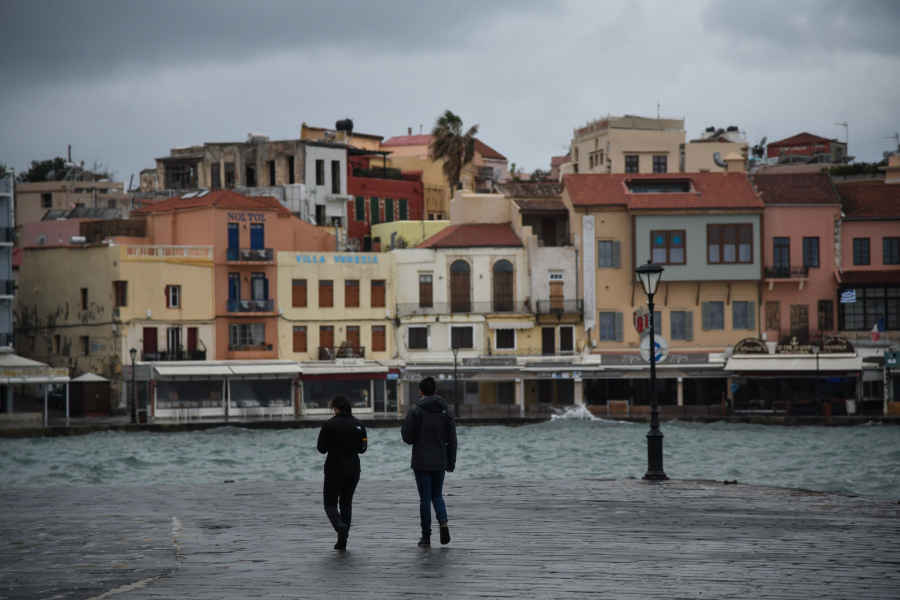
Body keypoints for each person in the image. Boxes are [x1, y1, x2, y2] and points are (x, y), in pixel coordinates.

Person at [401, 376, 457, 547]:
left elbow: (406, 437)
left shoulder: (415, 411)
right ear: (435, 391)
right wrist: (450, 463)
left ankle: (426, 537)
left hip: (421, 461)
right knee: (437, 494)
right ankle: (443, 522)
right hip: (440, 461)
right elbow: (452, 440)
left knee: (425, 498)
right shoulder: (446, 411)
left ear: (420, 392)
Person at [316, 394, 367, 551]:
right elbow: (362, 449)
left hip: (334, 470)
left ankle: (339, 525)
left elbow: (321, 449)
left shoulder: (329, 425)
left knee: (330, 504)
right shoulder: (359, 424)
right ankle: (342, 540)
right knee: (346, 503)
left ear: (336, 408)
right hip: (353, 470)